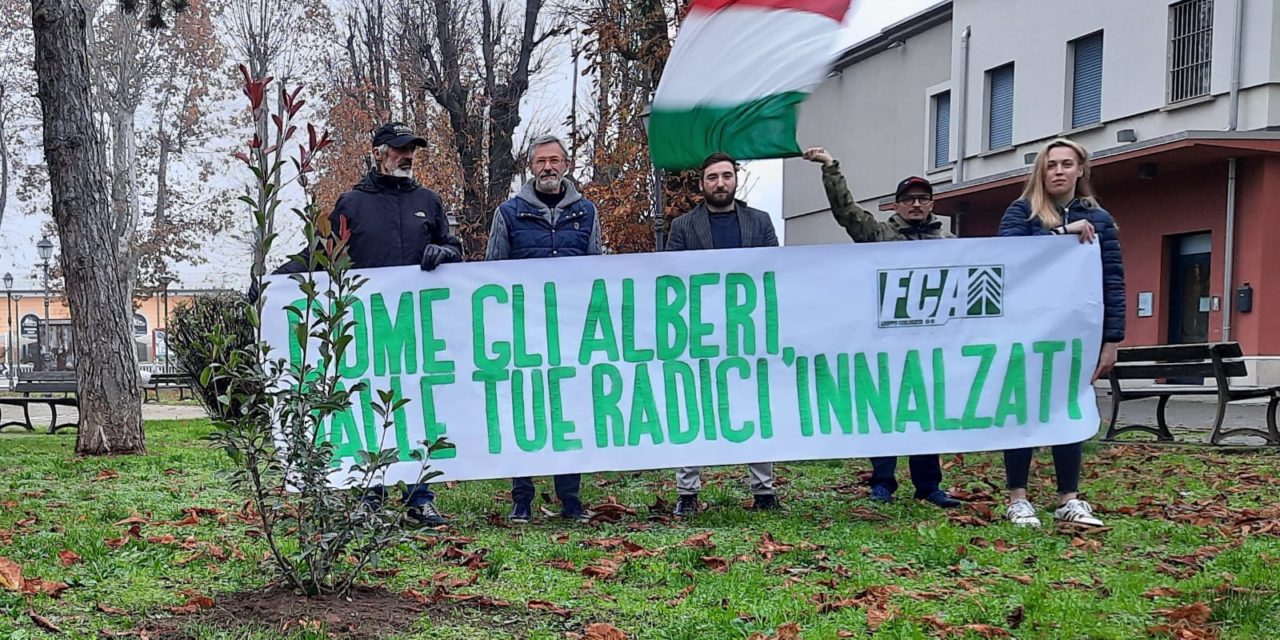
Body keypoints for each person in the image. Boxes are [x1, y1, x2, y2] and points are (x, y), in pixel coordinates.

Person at [273, 121, 463, 527]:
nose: (407, 156)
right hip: (368, 327)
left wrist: (443, 252)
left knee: (417, 409)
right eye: (399, 149)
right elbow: (319, 253)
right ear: (379, 153)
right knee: (370, 409)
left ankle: (419, 497)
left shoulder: (428, 202)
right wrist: (272, 282)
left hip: (417, 327)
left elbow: (453, 247)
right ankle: (369, 496)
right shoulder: (353, 204)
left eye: (411, 150)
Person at [802, 146, 961, 509]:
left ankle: (929, 485)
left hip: (930, 342)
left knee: (926, 412)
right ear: (897, 205)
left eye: (923, 198)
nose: (916, 205)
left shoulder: (951, 244)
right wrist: (831, 168)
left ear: (932, 203)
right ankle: (882, 482)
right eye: (909, 199)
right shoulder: (880, 235)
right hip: (886, 341)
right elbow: (847, 213)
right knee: (885, 412)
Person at [997, 137, 1125, 528]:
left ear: (1080, 169)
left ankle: (1069, 497)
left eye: (1066, 164)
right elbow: (1007, 257)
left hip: (1076, 336)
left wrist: (1112, 340)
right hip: (1024, 331)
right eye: (1051, 165)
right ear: (1041, 170)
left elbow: (1112, 280)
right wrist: (1063, 233)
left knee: (1068, 409)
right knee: (1022, 409)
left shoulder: (1100, 219)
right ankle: (1018, 498)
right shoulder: (1021, 212)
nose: (1058, 171)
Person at [486, 133, 601, 524]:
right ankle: (522, 497)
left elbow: (597, 267)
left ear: (566, 165)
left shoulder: (586, 212)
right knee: (526, 413)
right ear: (530, 167)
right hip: (525, 330)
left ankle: (570, 498)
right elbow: (493, 271)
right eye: (540, 161)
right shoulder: (508, 213)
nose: (548, 167)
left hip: (569, 331)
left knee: (569, 412)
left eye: (554, 160)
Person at [665, 152, 780, 516]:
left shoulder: (760, 222)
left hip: (749, 331)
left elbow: (776, 271)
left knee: (755, 406)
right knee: (694, 407)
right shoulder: (683, 226)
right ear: (702, 183)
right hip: (699, 331)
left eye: (726, 176)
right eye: (712, 177)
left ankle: (763, 490)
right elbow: (671, 277)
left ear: (736, 179)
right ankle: (687, 492)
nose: (720, 183)